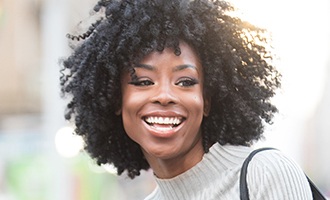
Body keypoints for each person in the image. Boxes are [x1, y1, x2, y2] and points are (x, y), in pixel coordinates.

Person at [60, 0, 313, 199]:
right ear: (116, 100)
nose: (164, 96)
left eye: (185, 82)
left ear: (207, 101)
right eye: (144, 82)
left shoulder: (264, 173)